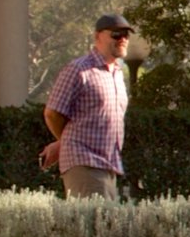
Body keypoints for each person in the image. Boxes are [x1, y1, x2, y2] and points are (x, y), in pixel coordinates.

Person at [41, 14, 134, 200]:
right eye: (116, 34)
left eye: (126, 35)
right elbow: (52, 113)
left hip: (109, 166)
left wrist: (62, 143)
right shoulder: (78, 70)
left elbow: (89, 121)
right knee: (94, 225)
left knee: (105, 226)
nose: (122, 39)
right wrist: (68, 142)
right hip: (85, 163)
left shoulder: (116, 74)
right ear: (98, 36)